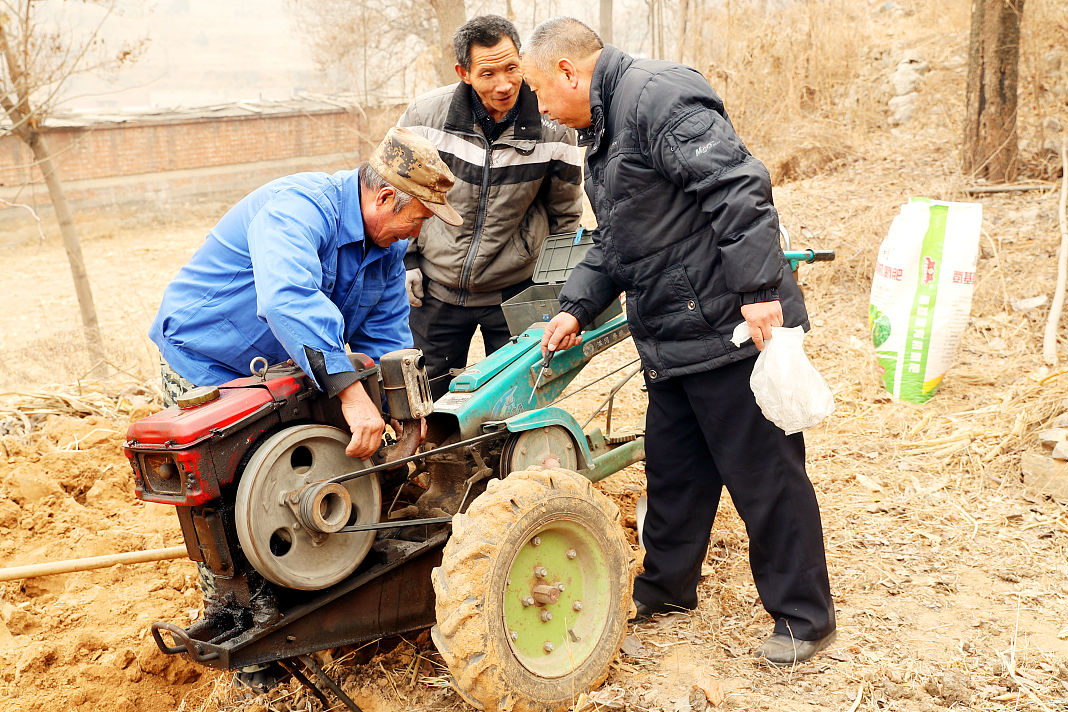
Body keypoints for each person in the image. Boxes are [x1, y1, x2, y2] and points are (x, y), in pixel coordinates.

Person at [523, 17, 837, 666]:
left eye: (538, 91)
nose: (539, 107)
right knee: (675, 477)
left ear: (567, 72)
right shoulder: (604, 137)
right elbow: (618, 239)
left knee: (765, 478)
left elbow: (737, 186)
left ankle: (805, 619)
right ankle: (665, 591)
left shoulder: (658, 95)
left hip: (728, 328)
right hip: (672, 340)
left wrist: (757, 291)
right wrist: (577, 305)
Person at [149, 127, 462, 459]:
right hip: (206, 359)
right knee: (230, 482)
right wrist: (353, 397)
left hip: (279, 367)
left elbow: (386, 334)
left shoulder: (387, 250)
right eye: (418, 220)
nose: (416, 233)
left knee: (290, 464)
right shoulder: (298, 209)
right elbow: (288, 299)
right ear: (384, 198)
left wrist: (399, 405)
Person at [396, 14, 583, 397]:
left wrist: (555, 288)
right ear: (463, 72)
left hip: (514, 291)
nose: (504, 84)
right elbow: (398, 194)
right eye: (488, 74)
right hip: (436, 290)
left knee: (515, 401)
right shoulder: (424, 117)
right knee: (428, 401)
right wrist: (407, 261)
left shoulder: (553, 123)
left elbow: (565, 214)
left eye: (513, 68)